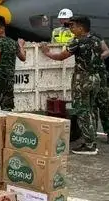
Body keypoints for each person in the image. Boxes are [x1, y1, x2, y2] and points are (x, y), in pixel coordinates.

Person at [43, 15, 103, 155]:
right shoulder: (96, 40)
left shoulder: (78, 41)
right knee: (91, 109)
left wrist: (47, 53)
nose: (71, 28)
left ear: (81, 28)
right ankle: (92, 139)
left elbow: (61, 56)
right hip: (95, 78)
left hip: (82, 79)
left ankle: (89, 145)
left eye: (73, 26)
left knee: (82, 110)